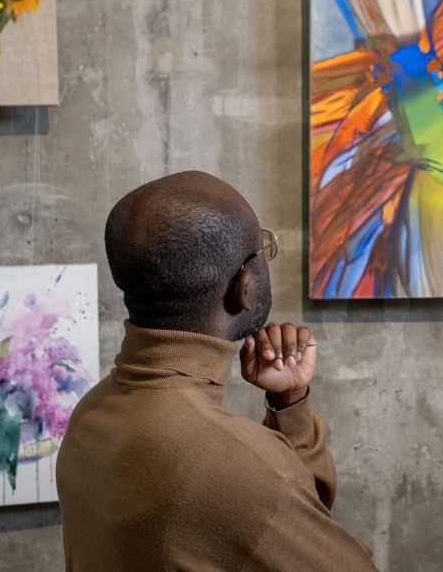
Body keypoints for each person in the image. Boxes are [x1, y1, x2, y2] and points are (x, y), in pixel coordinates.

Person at [56, 171, 377, 572]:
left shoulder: (91, 414)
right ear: (244, 287)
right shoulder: (238, 467)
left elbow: (288, 517)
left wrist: (289, 403)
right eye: (262, 248)